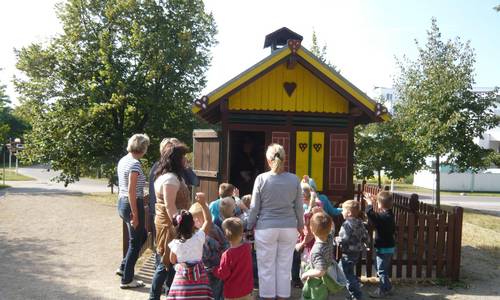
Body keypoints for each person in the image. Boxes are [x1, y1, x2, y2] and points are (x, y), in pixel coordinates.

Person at [247, 143, 304, 299]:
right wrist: (301, 226)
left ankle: (267, 296)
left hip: (266, 228)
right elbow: (299, 207)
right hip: (289, 228)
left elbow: (254, 207)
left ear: (268, 159)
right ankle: (283, 296)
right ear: (284, 159)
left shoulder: (261, 179)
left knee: (266, 267)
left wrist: (249, 225)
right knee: (284, 267)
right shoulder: (294, 179)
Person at [150, 140, 192, 300]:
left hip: (171, 224)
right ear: (176, 160)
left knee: (170, 264)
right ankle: (153, 297)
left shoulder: (173, 177)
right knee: (165, 264)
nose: (185, 160)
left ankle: (170, 295)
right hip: (170, 226)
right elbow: (170, 207)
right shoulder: (170, 180)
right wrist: (180, 226)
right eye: (183, 157)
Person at [116, 133, 150, 288]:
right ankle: (127, 280)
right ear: (142, 147)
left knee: (141, 236)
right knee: (135, 242)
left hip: (122, 203)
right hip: (132, 204)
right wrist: (135, 215)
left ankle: (123, 267)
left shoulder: (124, 160)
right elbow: (132, 190)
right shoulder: (135, 164)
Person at [167, 192, 214, 299]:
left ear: (176, 227)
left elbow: (172, 260)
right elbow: (208, 220)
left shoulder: (175, 243)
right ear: (193, 223)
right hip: (200, 280)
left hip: (182, 283)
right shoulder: (199, 237)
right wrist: (202, 204)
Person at [190, 202, 230, 300]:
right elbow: (225, 243)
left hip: (209, 270)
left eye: (194, 221)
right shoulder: (215, 227)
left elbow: (204, 256)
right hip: (219, 266)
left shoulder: (201, 236)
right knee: (218, 290)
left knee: (210, 292)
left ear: (199, 220)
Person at [301, 211, 344, 299]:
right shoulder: (330, 237)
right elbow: (332, 226)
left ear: (312, 230)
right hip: (328, 275)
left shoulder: (316, 251)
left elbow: (320, 271)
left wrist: (306, 274)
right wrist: (323, 212)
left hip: (318, 282)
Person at [336, 200, 369, 300]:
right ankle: (354, 292)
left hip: (348, 253)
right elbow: (365, 236)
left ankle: (357, 295)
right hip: (357, 252)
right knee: (348, 272)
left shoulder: (346, 224)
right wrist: (366, 244)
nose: (341, 212)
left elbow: (343, 239)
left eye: (343, 210)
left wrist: (336, 240)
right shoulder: (360, 222)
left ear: (349, 213)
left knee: (345, 274)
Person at [213, 217, 254, 300]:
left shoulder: (227, 254)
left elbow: (223, 274)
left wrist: (214, 270)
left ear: (225, 236)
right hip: (247, 290)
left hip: (232, 293)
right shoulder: (247, 247)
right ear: (241, 233)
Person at [365, 191, 395, 298]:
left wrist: (369, 203)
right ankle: (389, 287)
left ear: (380, 204)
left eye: (378, 203)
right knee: (380, 268)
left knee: (381, 270)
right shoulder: (389, 214)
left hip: (384, 248)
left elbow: (370, 213)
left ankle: (382, 290)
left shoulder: (384, 217)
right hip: (387, 247)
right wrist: (376, 201)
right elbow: (377, 215)